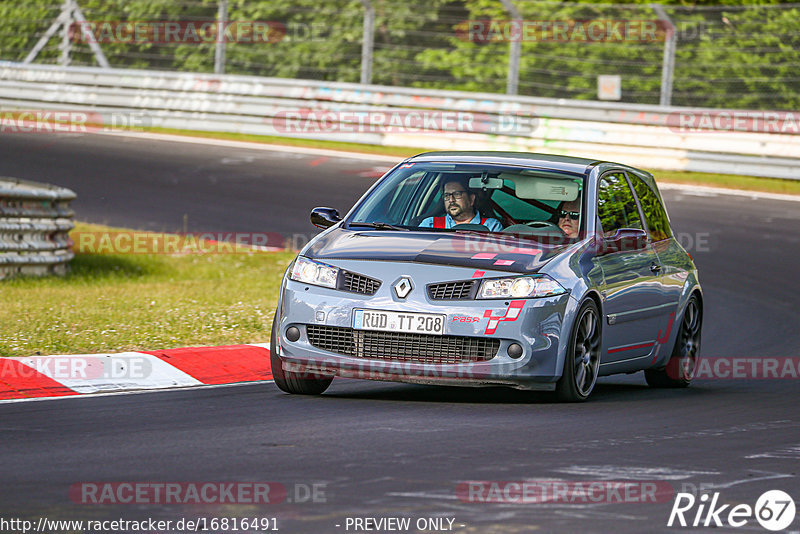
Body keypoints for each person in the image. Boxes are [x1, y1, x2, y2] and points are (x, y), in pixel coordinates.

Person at [419, 178, 503, 231]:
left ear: (471, 199)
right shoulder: (430, 224)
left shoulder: (491, 226)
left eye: (457, 194)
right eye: (447, 195)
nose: (451, 200)